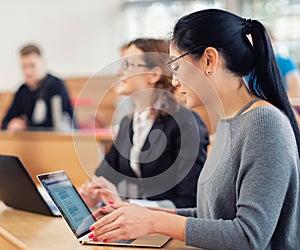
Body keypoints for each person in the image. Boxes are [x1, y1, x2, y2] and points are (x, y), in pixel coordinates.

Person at [88, 9, 300, 249]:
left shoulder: (264, 123)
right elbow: (212, 214)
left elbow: (248, 237)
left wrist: (155, 220)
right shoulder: (229, 121)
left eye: (176, 67)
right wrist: (137, 212)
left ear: (209, 60)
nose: (174, 81)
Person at [79, 38, 209, 209]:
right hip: (138, 225)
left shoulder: (186, 123)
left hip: (172, 230)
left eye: (127, 64)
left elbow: (190, 202)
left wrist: (128, 206)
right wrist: (91, 192)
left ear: (154, 75)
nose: (119, 72)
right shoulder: (128, 122)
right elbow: (105, 176)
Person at [1, 44, 76, 132]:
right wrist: (12, 124)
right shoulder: (23, 90)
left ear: (43, 63)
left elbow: (56, 126)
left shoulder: (56, 86)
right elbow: (6, 122)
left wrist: (26, 127)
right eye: (24, 66)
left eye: (32, 66)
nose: (27, 72)